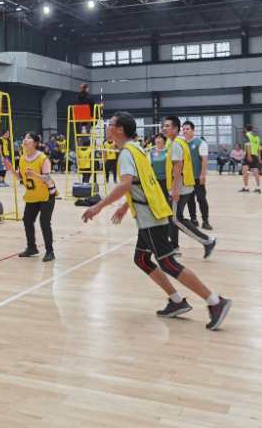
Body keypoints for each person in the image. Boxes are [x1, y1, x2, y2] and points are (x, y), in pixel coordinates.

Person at [82, 112, 232, 330]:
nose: (107, 127)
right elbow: (143, 181)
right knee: (142, 259)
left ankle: (215, 302)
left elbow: (125, 184)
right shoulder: (137, 149)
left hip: (151, 216)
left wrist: (98, 206)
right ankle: (176, 301)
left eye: (110, 124)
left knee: (169, 264)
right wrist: (125, 206)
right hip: (151, 213)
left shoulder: (127, 153)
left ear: (120, 129)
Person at [163, 116, 217, 258]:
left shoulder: (176, 144)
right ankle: (174, 247)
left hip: (180, 187)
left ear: (175, 128)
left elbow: (178, 167)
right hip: (184, 185)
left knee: (175, 218)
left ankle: (207, 241)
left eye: (167, 126)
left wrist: (175, 189)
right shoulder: (178, 142)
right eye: (164, 126)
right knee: (174, 217)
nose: (164, 128)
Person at [4, 132, 57, 262]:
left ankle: (50, 251)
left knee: (44, 222)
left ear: (35, 143)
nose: (25, 140)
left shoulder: (43, 158)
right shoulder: (22, 159)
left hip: (47, 195)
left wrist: (35, 175)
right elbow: (21, 178)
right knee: (27, 220)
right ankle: (32, 247)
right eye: (25, 137)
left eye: (28, 138)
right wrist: (11, 170)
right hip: (33, 195)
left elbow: (47, 178)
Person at [182, 121, 213, 231]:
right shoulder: (182, 144)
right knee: (189, 199)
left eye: (187, 129)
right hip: (187, 178)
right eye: (183, 129)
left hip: (197, 177)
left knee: (201, 199)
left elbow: (204, 160)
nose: (185, 131)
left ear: (193, 130)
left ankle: (205, 221)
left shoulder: (200, 143)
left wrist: (203, 175)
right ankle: (193, 220)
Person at [239, 125, 261, 193]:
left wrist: (248, 155)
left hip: (249, 155)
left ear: (246, 129)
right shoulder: (257, 137)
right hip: (255, 155)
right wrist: (259, 157)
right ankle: (258, 188)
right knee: (255, 172)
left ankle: (246, 187)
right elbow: (259, 148)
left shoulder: (247, 135)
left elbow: (248, 145)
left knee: (244, 171)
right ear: (252, 129)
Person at [150, 134, 168, 198]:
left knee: (165, 197)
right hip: (155, 179)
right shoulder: (151, 152)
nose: (158, 140)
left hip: (166, 179)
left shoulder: (168, 151)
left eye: (160, 138)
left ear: (164, 140)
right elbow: (150, 165)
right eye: (156, 138)